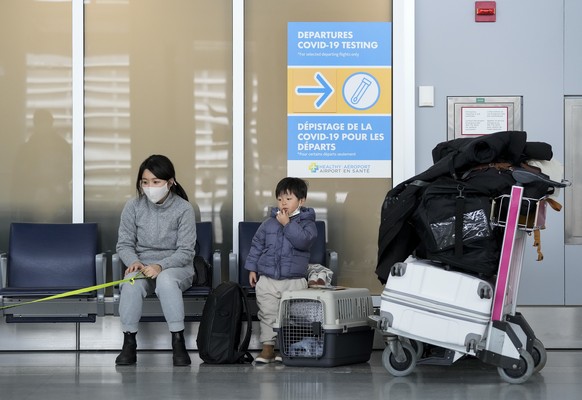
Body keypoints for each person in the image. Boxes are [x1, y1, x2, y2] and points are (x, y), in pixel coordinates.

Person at [115, 154, 196, 366]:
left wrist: (161, 266)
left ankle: (178, 342)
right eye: (145, 182)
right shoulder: (133, 207)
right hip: (144, 266)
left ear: (170, 183)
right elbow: (124, 243)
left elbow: (186, 251)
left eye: (156, 181)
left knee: (166, 281)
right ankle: (129, 342)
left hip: (177, 266)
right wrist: (133, 261)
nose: (149, 186)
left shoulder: (184, 209)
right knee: (130, 283)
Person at [245, 177, 318, 364]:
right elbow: (257, 245)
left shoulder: (307, 224)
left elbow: (303, 241)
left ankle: (290, 349)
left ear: (301, 201)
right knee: (267, 313)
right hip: (268, 279)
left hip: (294, 280)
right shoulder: (269, 223)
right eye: (280, 199)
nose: (283, 202)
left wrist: (287, 224)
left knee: (293, 316)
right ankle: (268, 349)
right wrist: (252, 268)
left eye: (288, 198)